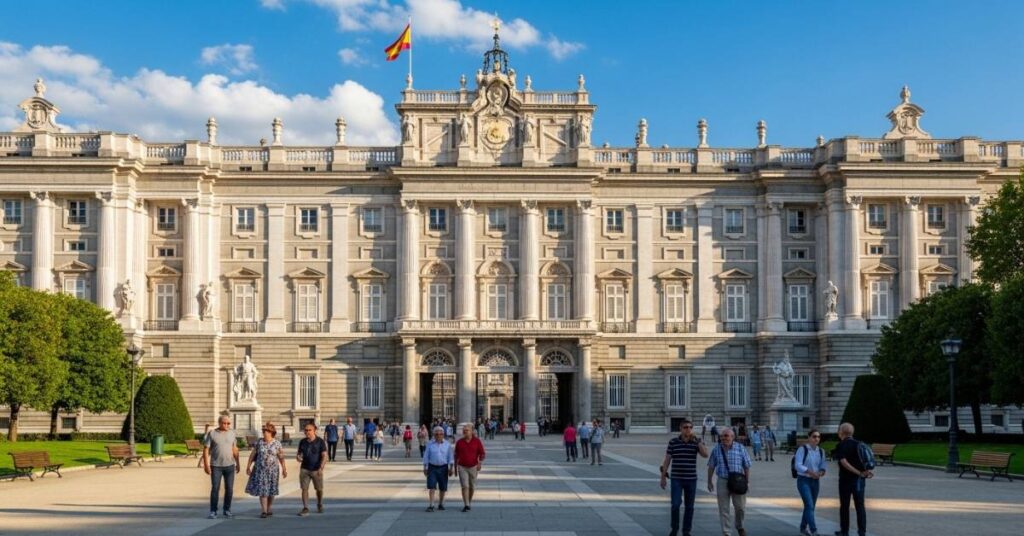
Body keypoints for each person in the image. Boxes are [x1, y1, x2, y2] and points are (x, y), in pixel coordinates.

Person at [660, 418, 709, 536]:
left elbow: (705, 455)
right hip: (676, 478)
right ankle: (675, 528)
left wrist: (698, 442)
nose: (688, 430)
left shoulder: (696, 441)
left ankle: (686, 531)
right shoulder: (673, 442)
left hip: (691, 479)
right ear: (680, 429)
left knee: (689, 506)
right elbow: (667, 460)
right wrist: (663, 477)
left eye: (690, 427)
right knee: (675, 504)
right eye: (685, 427)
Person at [707, 426, 752, 536]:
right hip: (722, 480)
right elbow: (711, 466)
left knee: (740, 507)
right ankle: (726, 532)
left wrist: (747, 481)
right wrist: (709, 481)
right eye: (722, 436)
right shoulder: (717, 449)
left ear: (733, 437)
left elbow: (747, 466)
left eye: (726, 436)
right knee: (723, 508)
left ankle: (740, 526)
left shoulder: (740, 448)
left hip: (738, 480)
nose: (723, 438)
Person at [834, 422, 872, 536]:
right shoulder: (860, 444)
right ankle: (862, 531)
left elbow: (843, 462)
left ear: (841, 432)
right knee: (860, 506)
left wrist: (858, 472)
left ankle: (844, 531)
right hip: (859, 481)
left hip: (846, 480)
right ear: (852, 432)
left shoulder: (841, 445)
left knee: (844, 506)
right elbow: (866, 461)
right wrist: (864, 472)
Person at [245, 422, 288, 518]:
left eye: (266, 431)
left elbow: (281, 457)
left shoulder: (277, 443)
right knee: (263, 490)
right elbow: (253, 455)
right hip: (260, 470)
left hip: (273, 471)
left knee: (271, 490)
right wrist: (248, 466)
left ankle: (269, 508)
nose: (264, 432)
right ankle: (264, 511)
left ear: (271, 432)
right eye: (263, 431)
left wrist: (284, 469)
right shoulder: (259, 442)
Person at [203, 415, 240, 519]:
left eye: (229, 423)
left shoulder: (232, 433)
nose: (227, 425)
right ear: (219, 423)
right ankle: (213, 511)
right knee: (215, 488)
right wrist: (206, 465)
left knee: (229, 489)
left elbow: (235, 449)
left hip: (230, 465)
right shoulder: (212, 433)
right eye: (225, 423)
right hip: (216, 466)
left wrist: (238, 463)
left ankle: (227, 509)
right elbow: (206, 450)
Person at [794, 428, 827, 536]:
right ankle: (814, 530)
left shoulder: (821, 451)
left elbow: (823, 465)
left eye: (818, 437)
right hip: (803, 480)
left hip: (815, 481)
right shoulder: (802, 449)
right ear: (809, 438)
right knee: (809, 504)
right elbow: (797, 465)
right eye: (814, 436)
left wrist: (821, 472)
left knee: (810, 506)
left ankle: (803, 527)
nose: (816, 439)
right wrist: (810, 472)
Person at [295, 423, 327, 516]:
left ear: (314, 430)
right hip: (304, 469)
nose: (307, 432)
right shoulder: (302, 442)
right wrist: (298, 458)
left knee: (319, 489)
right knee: (304, 489)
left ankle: (319, 503)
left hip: (316, 469)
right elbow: (299, 454)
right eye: (306, 430)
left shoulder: (320, 441)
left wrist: (321, 467)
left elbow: (324, 456)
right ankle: (305, 508)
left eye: (309, 430)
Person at [454, 424, 486, 512]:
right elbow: (456, 455)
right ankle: (466, 504)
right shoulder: (459, 442)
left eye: (467, 430)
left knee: (472, 486)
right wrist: (455, 468)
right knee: (465, 486)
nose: (464, 431)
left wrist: (479, 462)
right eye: (464, 430)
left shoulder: (477, 441)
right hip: (462, 466)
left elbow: (482, 453)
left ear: (472, 431)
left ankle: (469, 501)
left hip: (473, 466)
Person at [423, 426, 455, 512]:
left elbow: (450, 457)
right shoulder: (430, 444)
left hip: (443, 467)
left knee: (443, 487)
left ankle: (441, 503)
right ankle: (431, 504)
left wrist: (451, 468)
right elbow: (426, 456)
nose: (438, 435)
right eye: (436, 433)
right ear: (434, 434)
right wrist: (425, 467)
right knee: (431, 486)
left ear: (443, 434)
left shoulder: (447, 444)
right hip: (432, 467)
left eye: (440, 433)